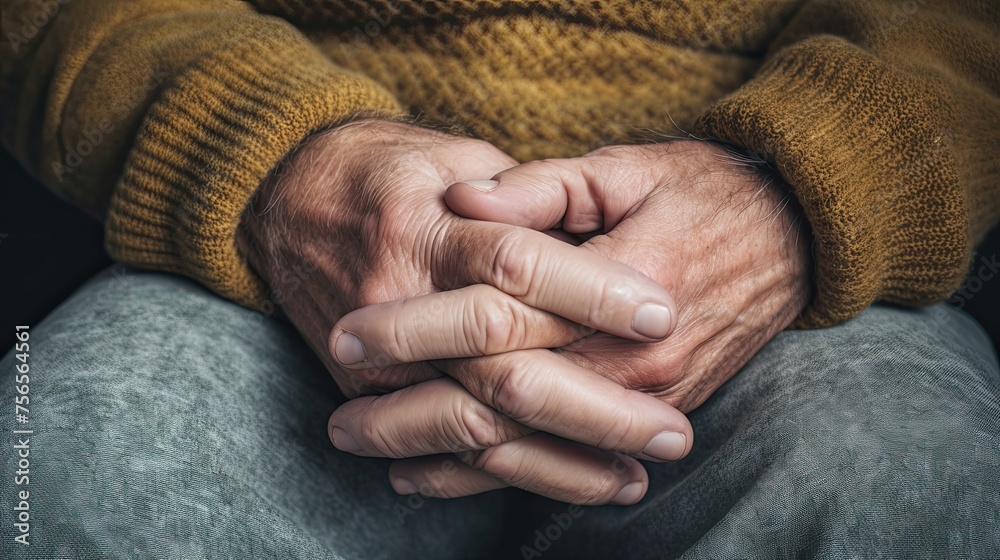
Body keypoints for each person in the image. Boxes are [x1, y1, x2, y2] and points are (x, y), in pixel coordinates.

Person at [2, 0, 998, 557]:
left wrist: (805, 186)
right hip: (271, 248)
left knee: (910, 479)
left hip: (790, 263)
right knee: (57, 462)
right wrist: (276, 159)